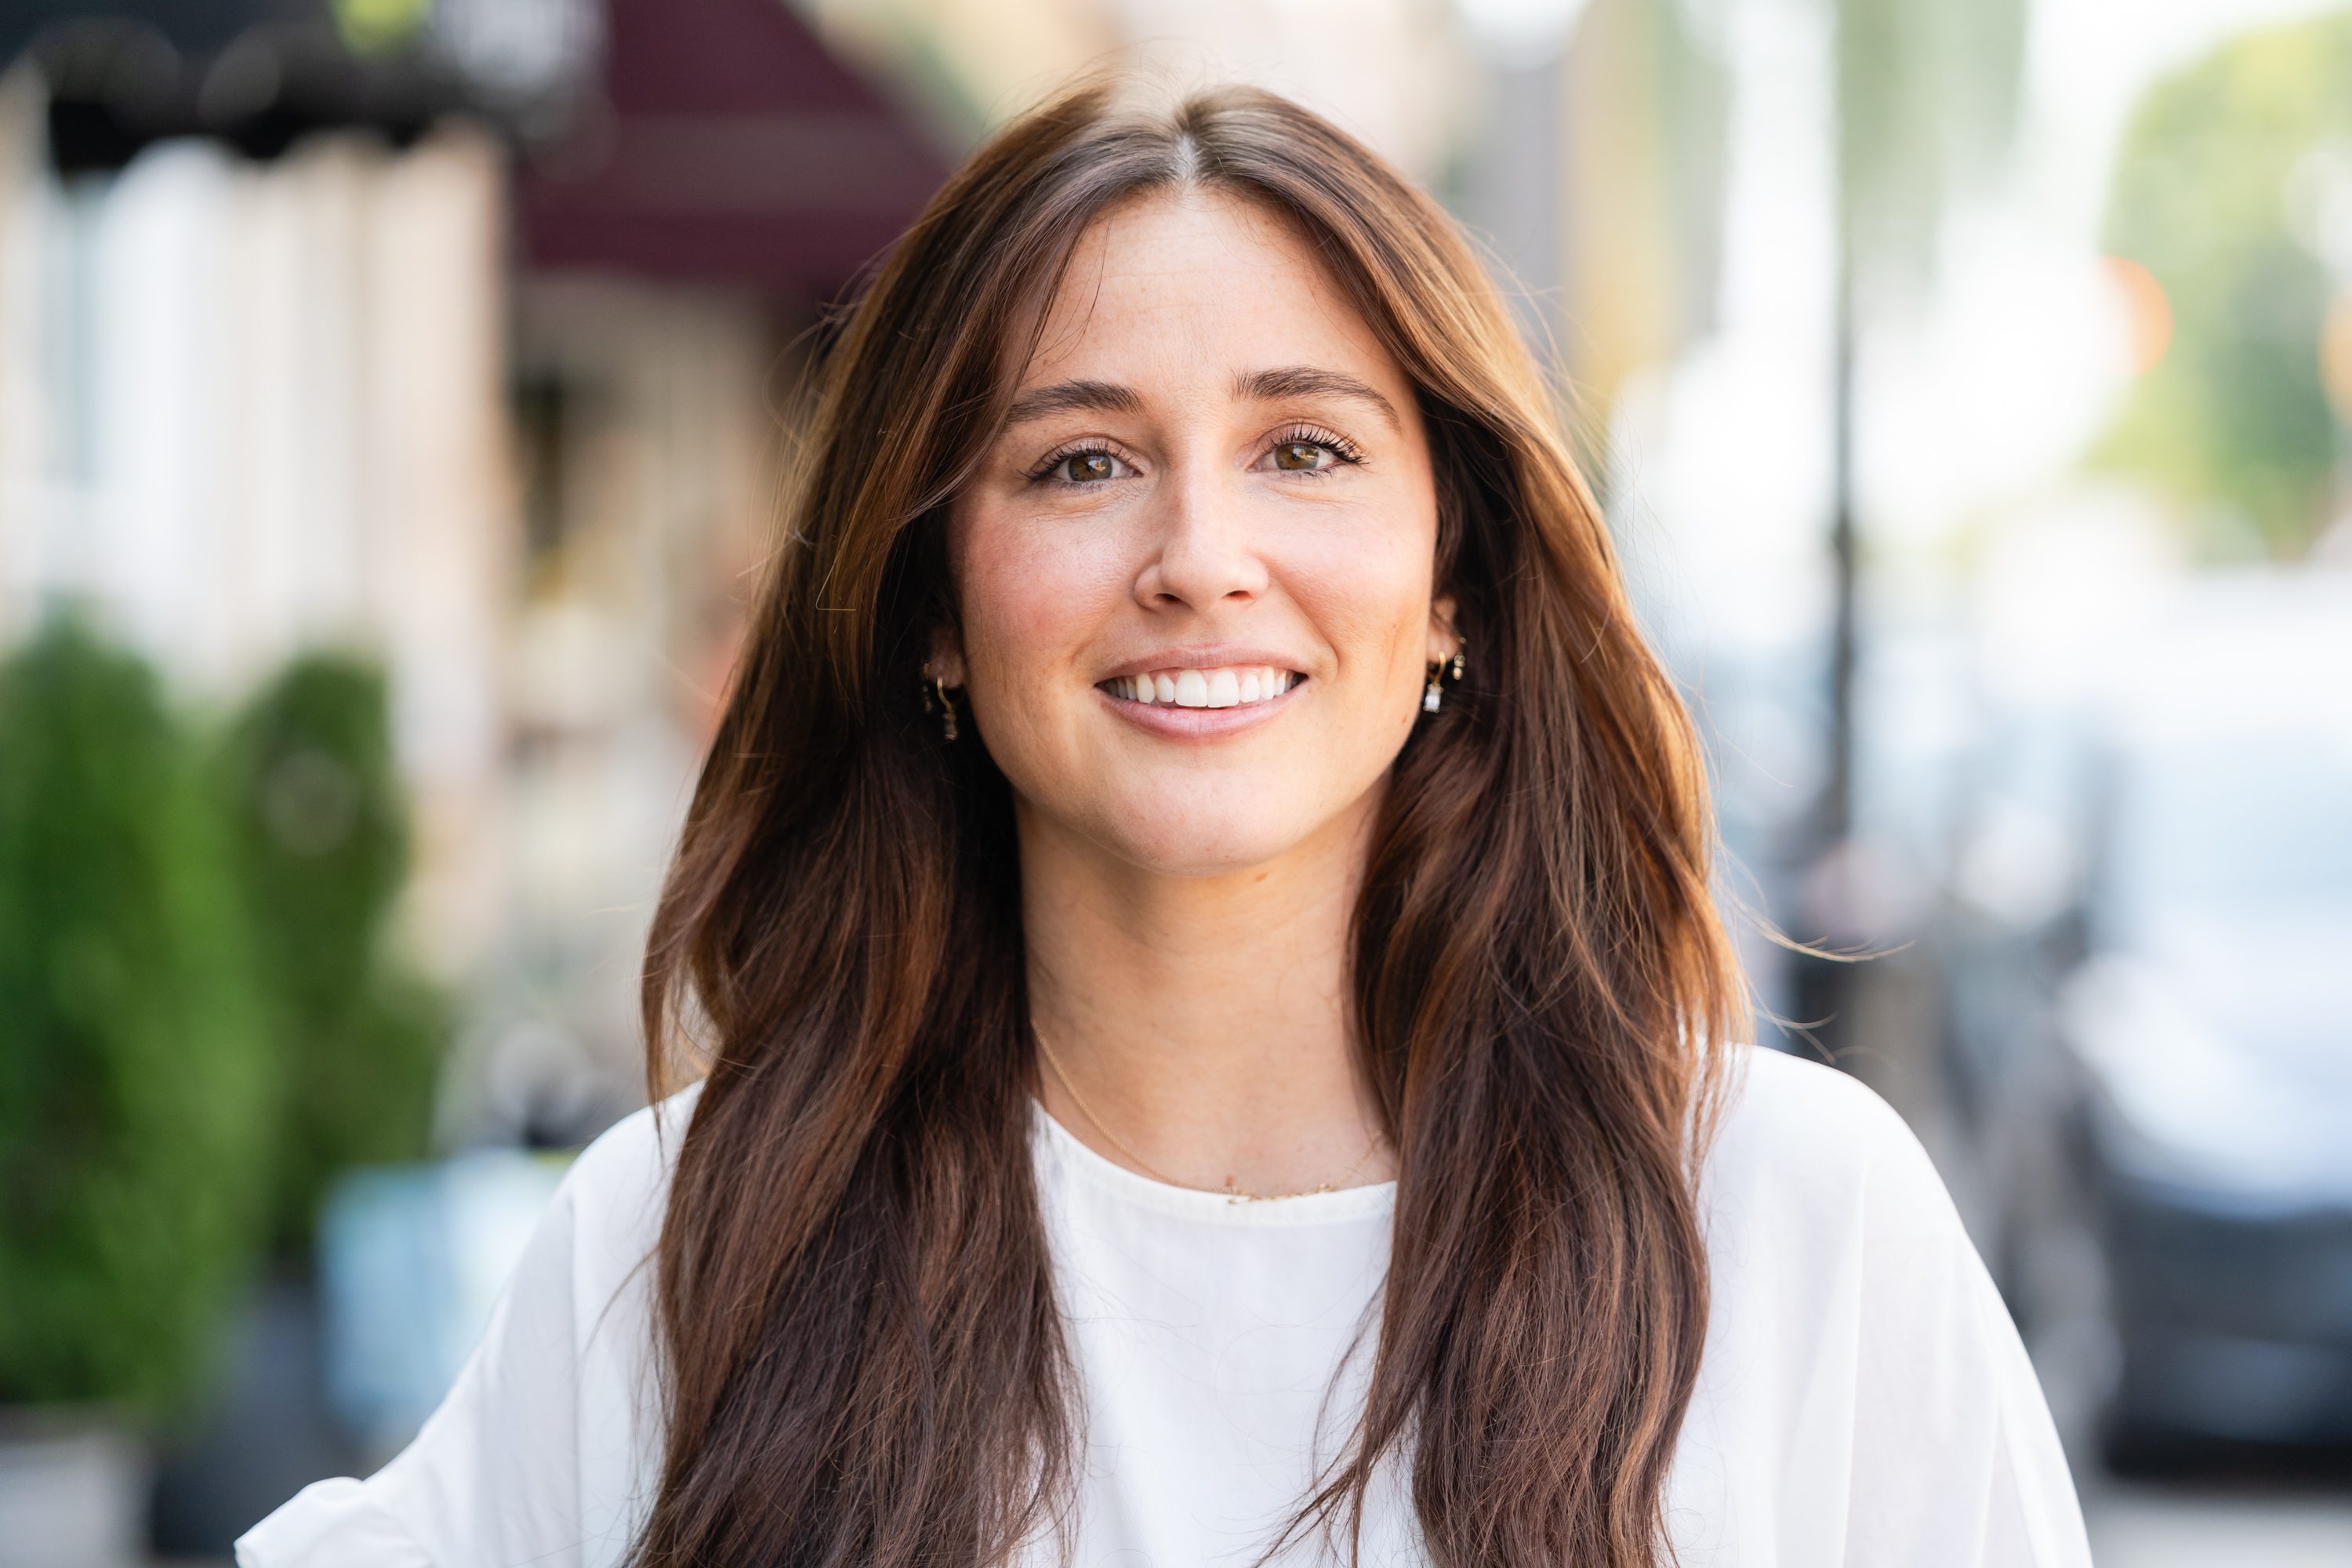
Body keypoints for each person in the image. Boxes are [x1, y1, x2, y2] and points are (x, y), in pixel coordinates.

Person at [238, 78, 2093, 1568]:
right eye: (1080, 463)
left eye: (1305, 449)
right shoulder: (691, 1236)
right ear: (937, 613)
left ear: (1452, 580)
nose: (1201, 560)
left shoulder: (1784, 1221)